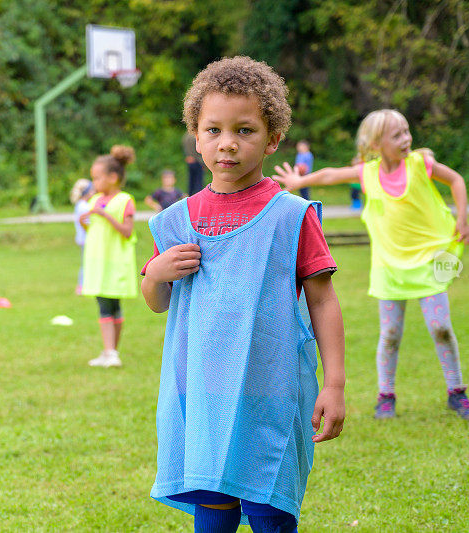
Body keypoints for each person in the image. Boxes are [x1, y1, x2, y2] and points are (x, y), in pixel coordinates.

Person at [141, 56, 346, 533]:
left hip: (271, 391)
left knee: (270, 511)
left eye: (245, 130)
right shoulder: (176, 221)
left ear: (273, 139)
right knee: (213, 512)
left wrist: (334, 384)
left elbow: (322, 300)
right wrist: (155, 275)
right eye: (213, 129)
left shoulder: (291, 216)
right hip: (203, 392)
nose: (227, 143)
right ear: (196, 136)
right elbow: (157, 301)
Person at [275, 108, 469, 420]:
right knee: (391, 335)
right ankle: (386, 395)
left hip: (428, 260)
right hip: (390, 267)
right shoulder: (368, 173)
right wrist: (299, 180)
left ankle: (456, 391)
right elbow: (331, 174)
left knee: (440, 327)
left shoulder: (421, 164)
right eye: (397, 135)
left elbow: (456, 180)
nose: (406, 139)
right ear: (375, 145)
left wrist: (462, 218)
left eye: (407, 131)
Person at [78, 145, 138, 368]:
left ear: (113, 177)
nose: (93, 183)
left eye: (96, 178)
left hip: (115, 262)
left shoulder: (125, 200)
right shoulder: (93, 200)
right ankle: (109, 351)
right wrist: (83, 222)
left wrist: (105, 215)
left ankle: (111, 351)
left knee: (111, 306)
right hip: (97, 262)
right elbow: (93, 231)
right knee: (105, 304)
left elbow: (127, 231)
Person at [70, 178, 93, 294]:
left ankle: (84, 285)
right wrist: (91, 231)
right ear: (88, 192)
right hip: (86, 239)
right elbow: (84, 222)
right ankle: (81, 286)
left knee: (86, 262)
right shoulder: (85, 206)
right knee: (87, 263)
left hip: (82, 239)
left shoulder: (80, 205)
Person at [183, 131, 207, 195]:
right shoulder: (195, 137)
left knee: (191, 182)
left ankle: (190, 196)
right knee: (198, 182)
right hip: (197, 161)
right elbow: (198, 151)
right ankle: (198, 198)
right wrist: (203, 163)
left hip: (189, 161)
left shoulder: (186, 136)